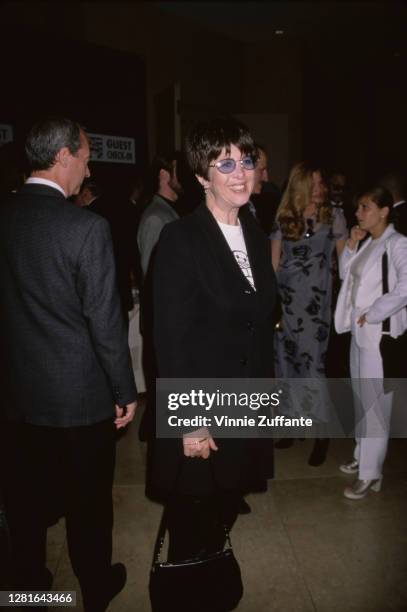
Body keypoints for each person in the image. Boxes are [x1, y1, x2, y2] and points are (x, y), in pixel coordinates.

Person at [0, 117, 137, 610]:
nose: (89, 165)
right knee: (89, 504)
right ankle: (96, 587)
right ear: (63, 157)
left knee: (24, 504)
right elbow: (105, 323)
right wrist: (125, 390)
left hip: (14, 397)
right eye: (85, 155)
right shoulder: (87, 227)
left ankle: (28, 588)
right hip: (79, 400)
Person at [149, 117, 276, 609]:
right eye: (225, 163)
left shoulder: (252, 228)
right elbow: (171, 340)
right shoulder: (182, 240)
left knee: (223, 506)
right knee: (191, 522)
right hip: (203, 409)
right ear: (202, 176)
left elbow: (257, 321)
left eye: (245, 160)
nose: (240, 172)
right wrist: (191, 424)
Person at [270, 162, 347, 463]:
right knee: (286, 366)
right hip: (286, 305)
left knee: (313, 368)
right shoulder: (284, 218)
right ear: (299, 186)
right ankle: (292, 426)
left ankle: (322, 433)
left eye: (321, 183)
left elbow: (346, 264)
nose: (320, 189)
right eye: (313, 184)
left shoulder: (334, 216)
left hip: (315, 307)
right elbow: (272, 265)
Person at [335, 186, 407, 499]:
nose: (358, 213)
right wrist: (350, 245)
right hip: (359, 333)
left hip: (378, 336)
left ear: (383, 211)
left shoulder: (397, 243)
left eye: (364, 207)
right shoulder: (369, 243)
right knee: (361, 398)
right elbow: (346, 277)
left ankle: (370, 473)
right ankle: (362, 454)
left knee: (375, 405)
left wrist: (373, 313)